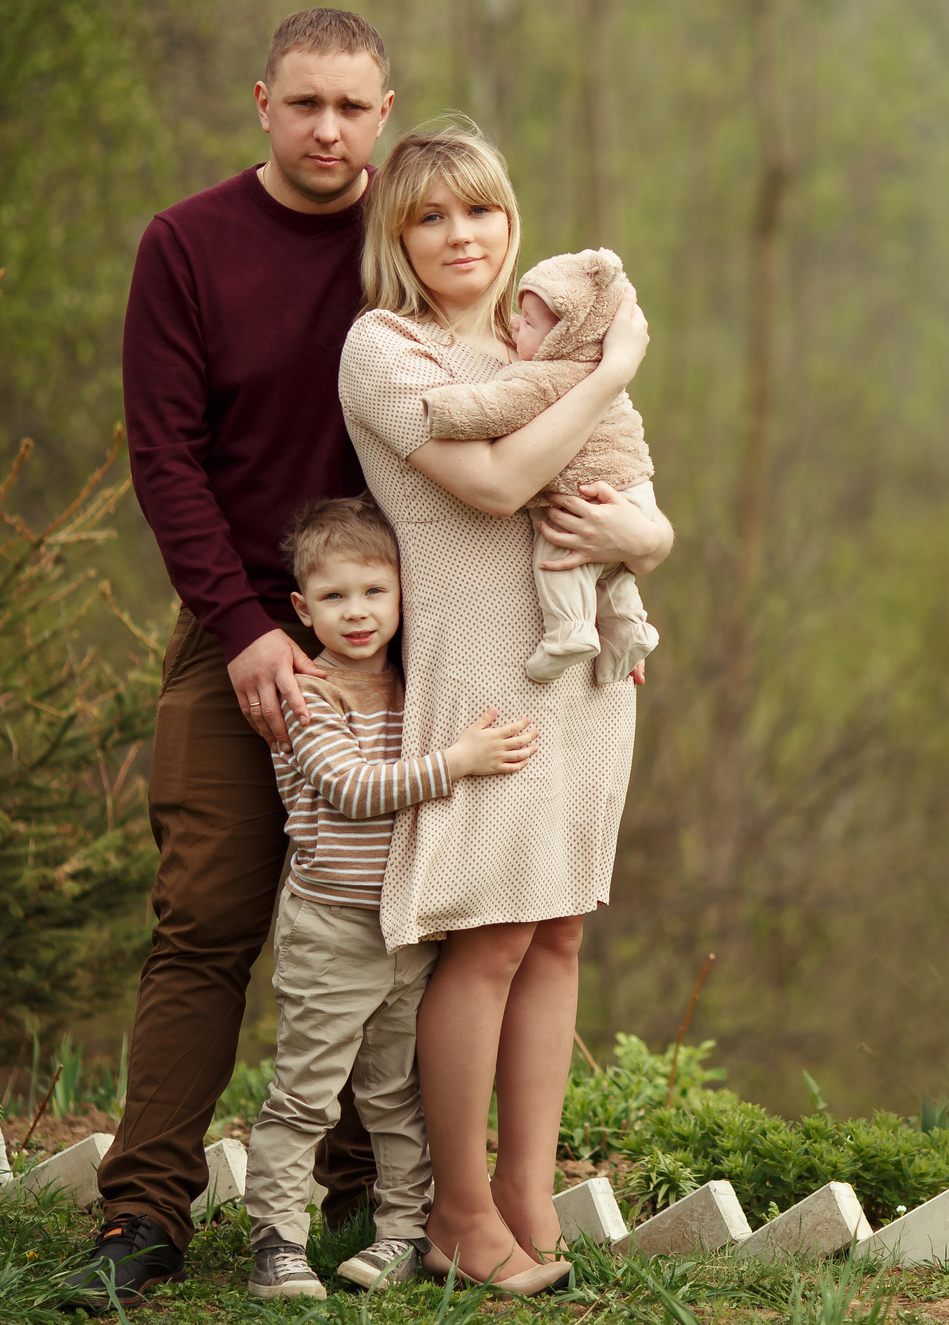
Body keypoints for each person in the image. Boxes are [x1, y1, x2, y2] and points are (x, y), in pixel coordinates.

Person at [74, 7, 397, 1308]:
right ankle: (143, 1215)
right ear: (262, 102)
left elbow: (507, 426)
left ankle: (376, 1193)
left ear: (385, 112)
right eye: (304, 102)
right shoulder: (188, 246)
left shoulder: (415, 238)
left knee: (393, 912)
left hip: (395, 641)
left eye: (352, 107)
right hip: (233, 629)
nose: (328, 128)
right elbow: (166, 459)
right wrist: (250, 628)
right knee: (206, 917)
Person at [338, 120, 670, 1288]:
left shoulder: (545, 333)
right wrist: (615, 369)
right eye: (429, 217)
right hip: (487, 680)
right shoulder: (385, 350)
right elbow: (498, 484)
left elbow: (639, 508)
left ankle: (530, 1196)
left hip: (586, 674)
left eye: (477, 210)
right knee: (487, 939)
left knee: (560, 929)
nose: (459, 236)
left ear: (509, 218)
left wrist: (646, 534)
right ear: (399, 237)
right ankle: (455, 1215)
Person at [241, 496, 538, 1300]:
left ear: (404, 594)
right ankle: (278, 1241)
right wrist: (460, 761)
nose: (358, 612)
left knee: (396, 1094)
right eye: (335, 597)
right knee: (304, 1090)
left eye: (375, 591)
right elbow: (350, 788)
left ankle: (404, 1230)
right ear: (303, 609)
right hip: (333, 927)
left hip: (407, 924)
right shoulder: (310, 696)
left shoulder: (415, 689)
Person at [421, 247, 659, 685]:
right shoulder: (602, 372)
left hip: (585, 497)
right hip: (635, 491)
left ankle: (569, 633)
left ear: (562, 339)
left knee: (560, 556)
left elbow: (493, 407)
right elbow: (650, 544)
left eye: (529, 323)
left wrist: (441, 408)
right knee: (613, 576)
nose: (515, 325)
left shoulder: (544, 376)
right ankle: (629, 631)